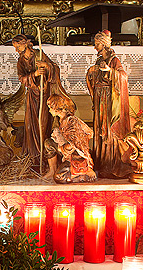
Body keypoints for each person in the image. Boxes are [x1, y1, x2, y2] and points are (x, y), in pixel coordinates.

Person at [11, 34, 74, 169]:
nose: (16, 50)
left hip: (44, 94)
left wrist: (46, 65)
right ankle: (33, 156)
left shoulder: (38, 54)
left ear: (25, 44)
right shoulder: (21, 61)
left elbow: (54, 68)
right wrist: (34, 75)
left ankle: (45, 156)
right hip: (32, 95)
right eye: (15, 48)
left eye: (18, 46)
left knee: (43, 123)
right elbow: (22, 78)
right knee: (31, 124)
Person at [85, 30, 133, 179]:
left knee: (108, 130)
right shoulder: (99, 60)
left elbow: (123, 77)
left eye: (97, 44)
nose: (95, 47)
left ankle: (112, 162)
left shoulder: (114, 60)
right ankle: (101, 162)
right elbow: (94, 77)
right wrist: (91, 73)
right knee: (100, 129)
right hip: (100, 98)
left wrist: (110, 71)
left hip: (109, 100)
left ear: (104, 44)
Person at [43, 94, 97, 183]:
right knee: (48, 143)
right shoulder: (61, 120)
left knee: (59, 178)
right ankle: (52, 170)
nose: (49, 110)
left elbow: (75, 143)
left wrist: (62, 148)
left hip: (76, 155)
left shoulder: (71, 121)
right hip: (67, 153)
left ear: (57, 107)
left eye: (50, 107)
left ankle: (83, 173)